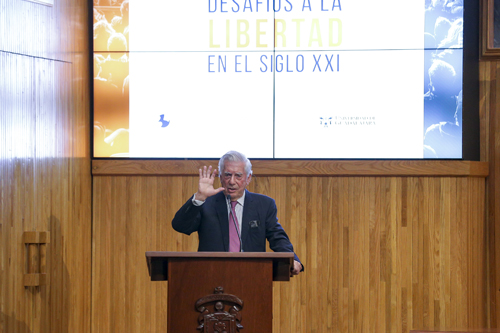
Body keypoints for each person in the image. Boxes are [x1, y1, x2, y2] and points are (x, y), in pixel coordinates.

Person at [172, 151, 304, 276]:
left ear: (248, 178)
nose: (232, 181)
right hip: (211, 275)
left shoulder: (264, 205)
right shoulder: (206, 203)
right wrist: (200, 197)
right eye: (228, 175)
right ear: (221, 176)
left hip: (251, 275)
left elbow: (277, 237)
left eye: (238, 176)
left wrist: (292, 259)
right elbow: (180, 226)